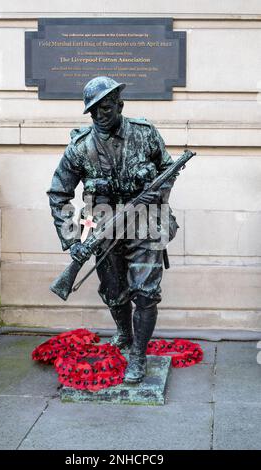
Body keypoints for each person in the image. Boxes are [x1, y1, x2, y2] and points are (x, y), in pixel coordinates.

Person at [47, 76, 178, 383]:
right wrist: (72, 239)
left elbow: (167, 170)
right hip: (101, 226)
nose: (99, 115)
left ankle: (138, 356)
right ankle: (124, 333)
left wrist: (155, 194)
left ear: (120, 105)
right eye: (93, 111)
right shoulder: (80, 147)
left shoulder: (145, 134)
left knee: (146, 293)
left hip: (146, 222)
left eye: (105, 108)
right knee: (113, 292)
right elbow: (58, 193)